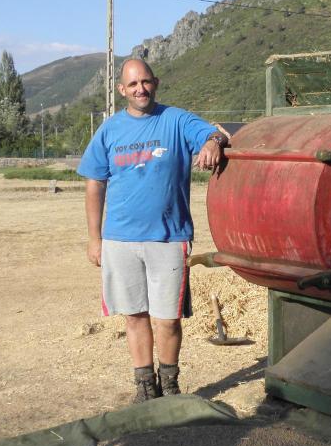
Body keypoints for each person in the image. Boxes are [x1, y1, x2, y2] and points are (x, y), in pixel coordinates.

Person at [77, 58, 227, 403]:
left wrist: (212, 142)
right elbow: (94, 183)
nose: (140, 89)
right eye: (133, 84)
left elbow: (214, 133)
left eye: (145, 82)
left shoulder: (176, 120)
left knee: (168, 319)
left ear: (155, 82)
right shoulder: (110, 130)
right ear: (121, 90)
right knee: (134, 317)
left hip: (169, 238)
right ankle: (145, 387)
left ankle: (170, 383)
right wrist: (94, 238)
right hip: (120, 240)